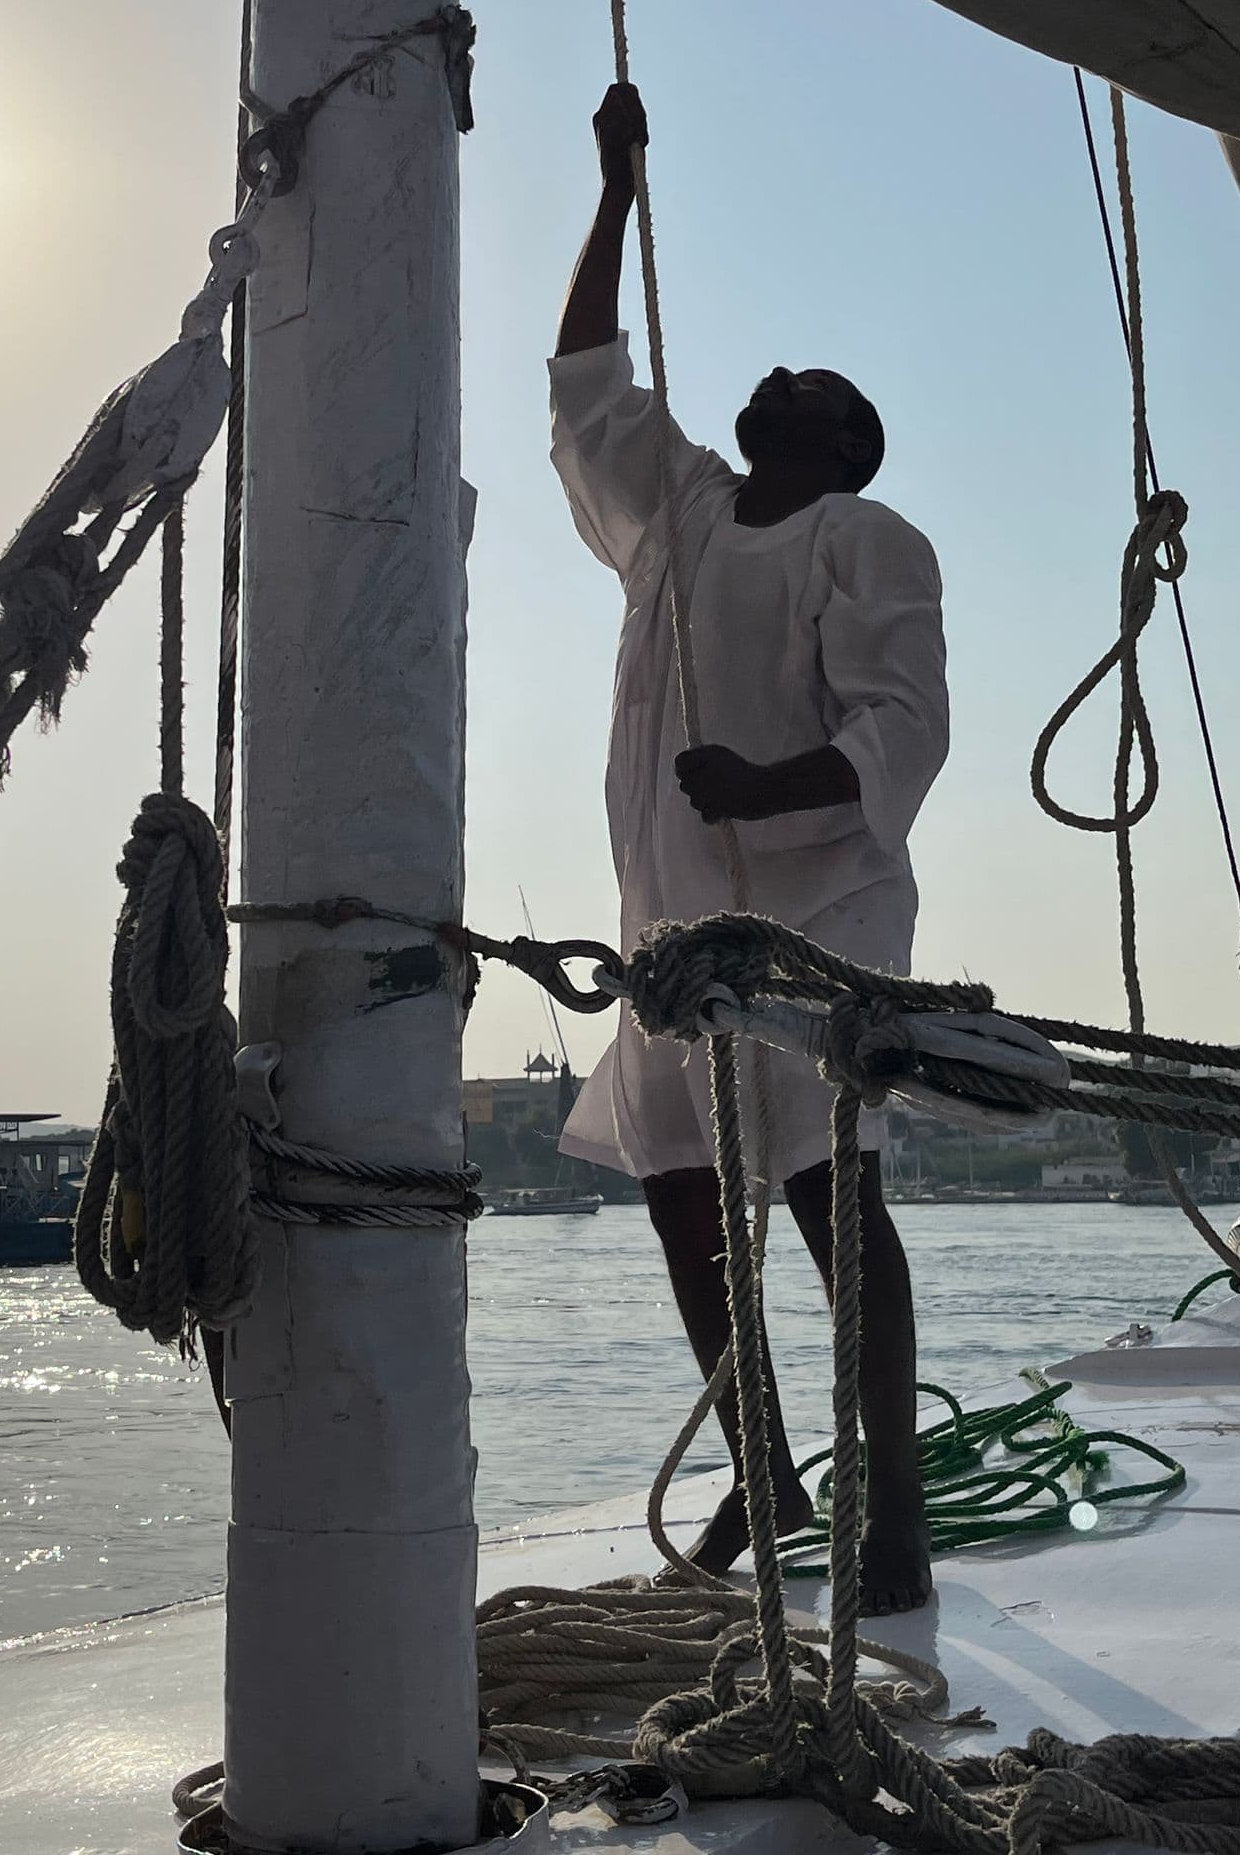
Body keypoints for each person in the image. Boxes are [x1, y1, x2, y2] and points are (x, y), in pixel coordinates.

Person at [549, 84, 949, 1614]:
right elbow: (587, 381)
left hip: (819, 916)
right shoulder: (685, 514)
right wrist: (613, 198)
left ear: (842, 442)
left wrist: (767, 786)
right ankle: (767, 1466)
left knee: (830, 1191)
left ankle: (892, 1515)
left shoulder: (867, 539)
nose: (774, 370)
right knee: (673, 1181)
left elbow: (902, 724)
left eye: (813, 380)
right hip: (672, 929)